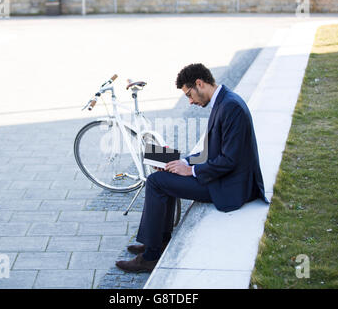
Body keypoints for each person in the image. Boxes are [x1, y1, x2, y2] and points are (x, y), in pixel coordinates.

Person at [115, 63, 269, 273]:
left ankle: (151, 256)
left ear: (199, 83)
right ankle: (158, 242)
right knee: (166, 175)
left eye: (189, 94)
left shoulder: (230, 107)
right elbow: (211, 151)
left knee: (155, 182)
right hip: (224, 178)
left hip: (231, 186)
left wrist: (191, 171)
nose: (190, 101)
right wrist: (180, 162)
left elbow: (229, 160)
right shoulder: (224, 101)